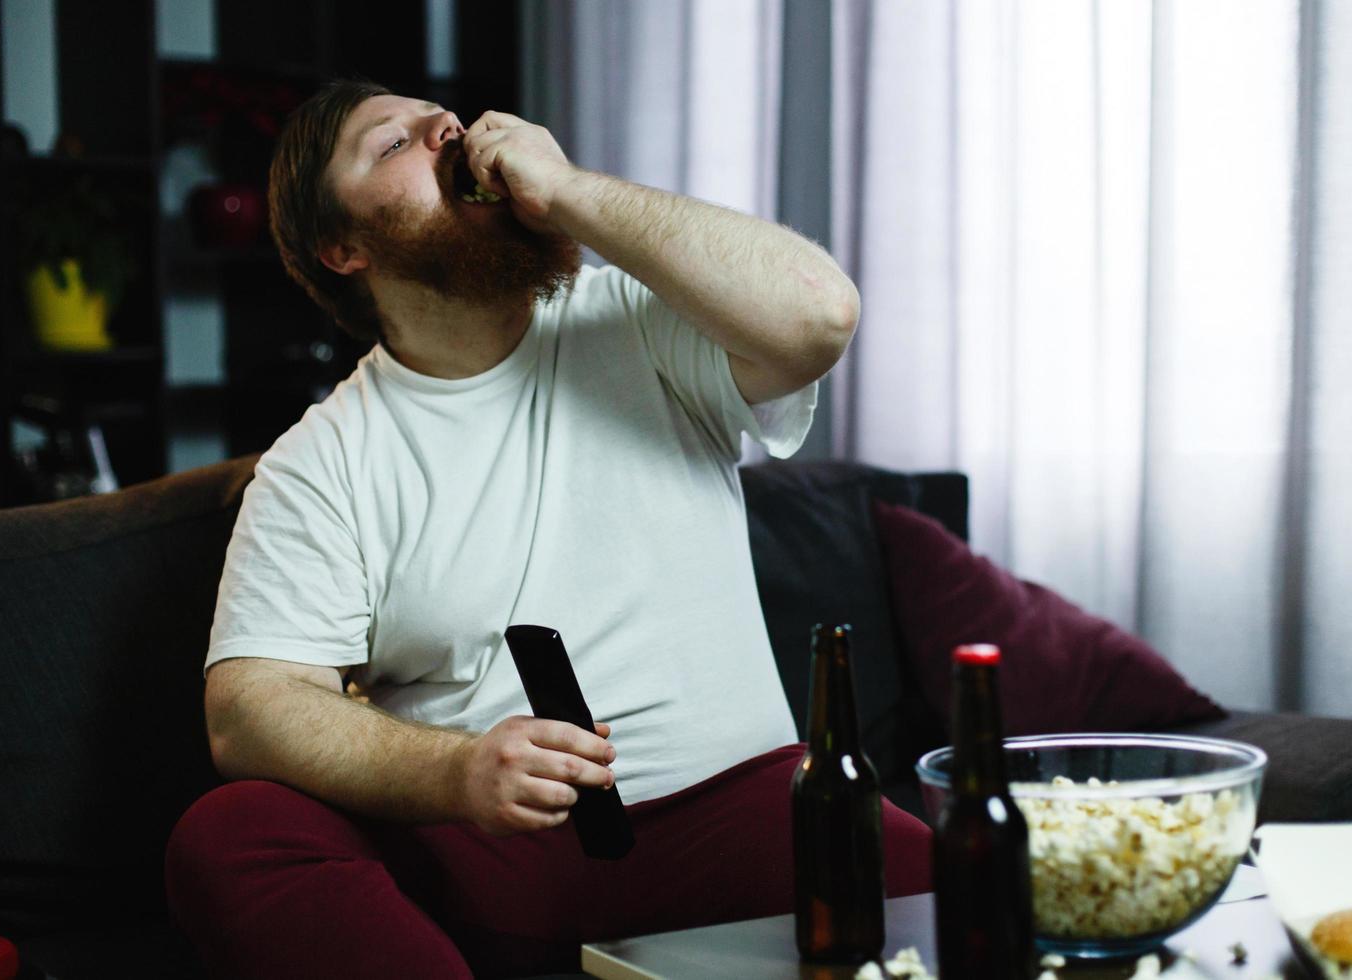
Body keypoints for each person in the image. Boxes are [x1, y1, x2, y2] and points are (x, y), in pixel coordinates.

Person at [164, 78, 931, 979]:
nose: (444, 128)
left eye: (438, 118)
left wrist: (568, 191)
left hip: (744, 813)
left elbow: (818, 314)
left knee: (982, 890)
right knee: (228, 835)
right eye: (393, 144)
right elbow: (251, 709)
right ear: (342, 248)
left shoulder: (637, 321)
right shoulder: (320, 463)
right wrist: (454, 774)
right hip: (498, 857)